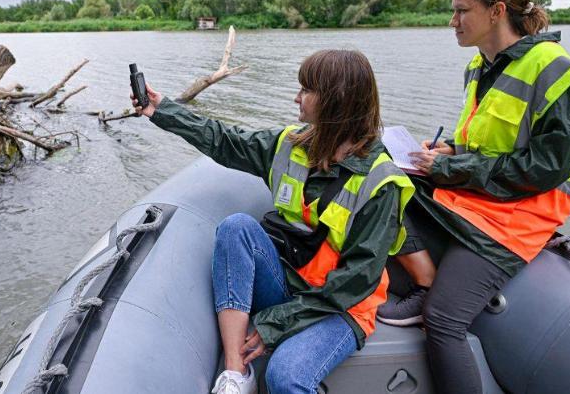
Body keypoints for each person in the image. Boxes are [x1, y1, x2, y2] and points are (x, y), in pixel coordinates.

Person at [132, 49, 414, 394]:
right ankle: (236, 374)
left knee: (284, 377)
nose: (297, 98)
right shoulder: (288, 145)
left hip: (342, 306)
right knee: (237, 227)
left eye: (306, 90)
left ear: (336, 101)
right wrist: (162, 110)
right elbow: (224, 139)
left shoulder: (379, 182)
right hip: (291, 282)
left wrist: (273, 326)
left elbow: (355, 281)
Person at [375, 0, 570, 394]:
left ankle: (427, 295)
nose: (452, 21)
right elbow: (486, 141)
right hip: (480, 197)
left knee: (444, 320)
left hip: (520, 217)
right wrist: (449, 149)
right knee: (381, 175)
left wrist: (450, 167)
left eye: (461, 11)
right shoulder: (479, 67)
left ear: (497, 11)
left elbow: (544, 170)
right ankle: (422, 280)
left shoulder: (555, 69)